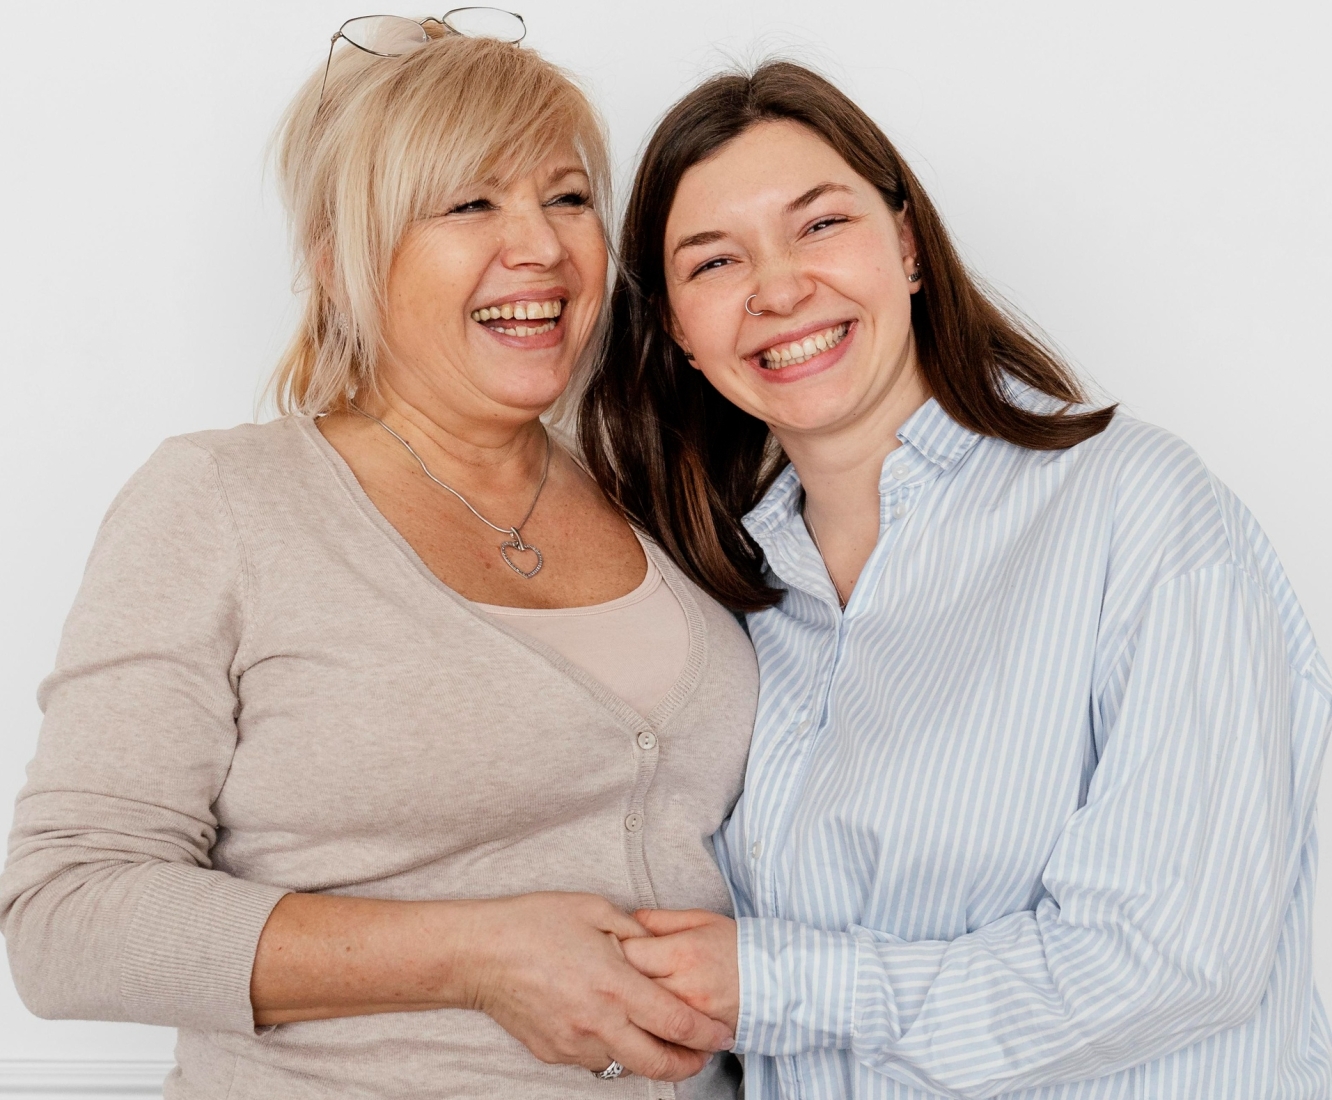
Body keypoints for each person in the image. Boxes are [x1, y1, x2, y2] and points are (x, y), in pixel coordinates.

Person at [0, 20, 754, 1099]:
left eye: (567, 195)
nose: (540, 246)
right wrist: (478, 956)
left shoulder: (655, 481)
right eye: (469, 203)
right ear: (339, 262)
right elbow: (63, 919)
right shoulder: (222, 503)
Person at [581, 61, 1332, 1098]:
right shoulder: (731, 609)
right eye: (715, 262)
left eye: (820, 224)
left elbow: (1175, 953)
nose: (780, 287)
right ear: (678, 332)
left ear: (907, 244)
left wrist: (775, 981)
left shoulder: (1133, 507)